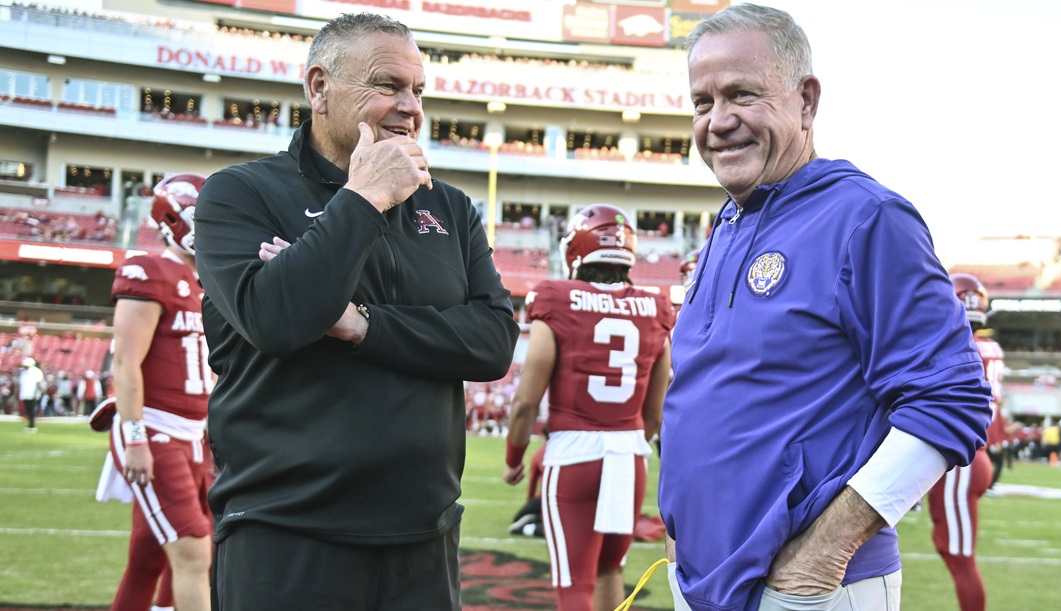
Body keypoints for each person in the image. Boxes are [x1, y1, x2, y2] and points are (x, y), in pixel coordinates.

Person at [657, 5, 994, 610]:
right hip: (705, 580)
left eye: (743, 94)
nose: (719, 121)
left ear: (806, 102)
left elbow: (952, 398)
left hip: (808, 588)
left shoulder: (865, 216)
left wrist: (825, 553)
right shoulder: (729, 224)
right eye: (702, 103)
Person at [193, 12, 519, 610]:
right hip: (287, 536)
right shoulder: (239, 194)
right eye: (387, 86)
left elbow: (494, 341)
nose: (410, 107)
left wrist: (361, 324)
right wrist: (364, 197)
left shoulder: (448, 206)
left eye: (417, 90)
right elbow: (277, 318)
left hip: (425, 537)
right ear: (319, 88)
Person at [502, 204, 674, 611]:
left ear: (576, 248)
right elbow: (655, 414)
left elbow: (526, 402)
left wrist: (514, 458)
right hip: (629, 455)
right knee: (610, 569)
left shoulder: (556, 299)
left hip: (575, 454)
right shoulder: (656, 308)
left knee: (574, 582)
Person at [92, 172, 214, 611]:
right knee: (195, 551)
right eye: (202, 217)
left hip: (194, 434)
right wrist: (136, 438)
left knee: (148, 557)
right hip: (156, 429)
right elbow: (125, 361)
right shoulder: (149, 271)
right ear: (171, 220)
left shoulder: (208, 284)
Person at [927, 273, 999, 611]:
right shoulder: (990, 348)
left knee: (959, 557)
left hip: (960, 461)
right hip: (974, 457)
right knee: (951, 549)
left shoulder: (954, 346)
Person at [17, 357, 44, 432]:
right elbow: (21, 384)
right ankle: (30, 424)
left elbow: (38, 383)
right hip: (25, 394)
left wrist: (36, 393)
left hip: (33, 394)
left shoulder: (36, 371)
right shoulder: (23, 372)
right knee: (28, 410)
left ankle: (32, 426)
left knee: (32, 410)